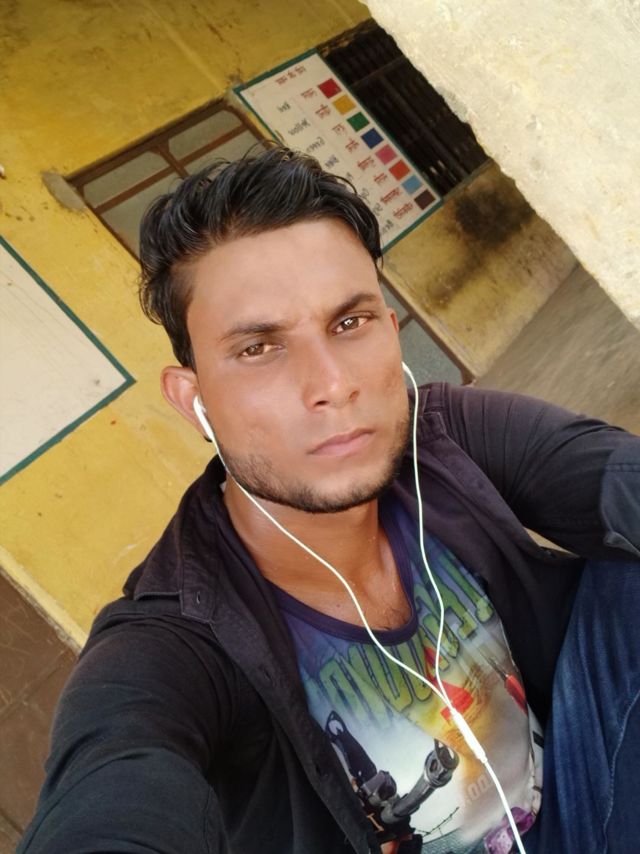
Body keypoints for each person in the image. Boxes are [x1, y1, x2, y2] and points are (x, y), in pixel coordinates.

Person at [19, 146, 639, 854]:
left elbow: (615, 477)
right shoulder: (175, 640)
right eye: (259, 348)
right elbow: (116, 772)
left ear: (390, 332)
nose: (332, 384)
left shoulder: (448, 436)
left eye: (349, 323)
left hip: (588, 794)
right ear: (194, 402)